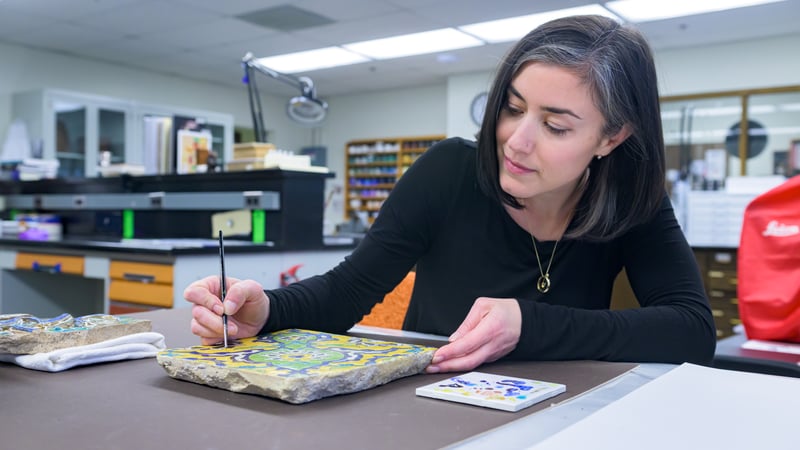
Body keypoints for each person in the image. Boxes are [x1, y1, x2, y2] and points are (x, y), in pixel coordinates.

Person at [185, 14, 716, 373]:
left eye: (555, 126)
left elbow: (691, 330)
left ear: (611, 137)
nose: (517, 140)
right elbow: (347, 291)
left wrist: (532, 324)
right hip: (430, 407)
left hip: (561, 414)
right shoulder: (448, 172)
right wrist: (267, 310)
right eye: (512, 107)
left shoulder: (629, 199)